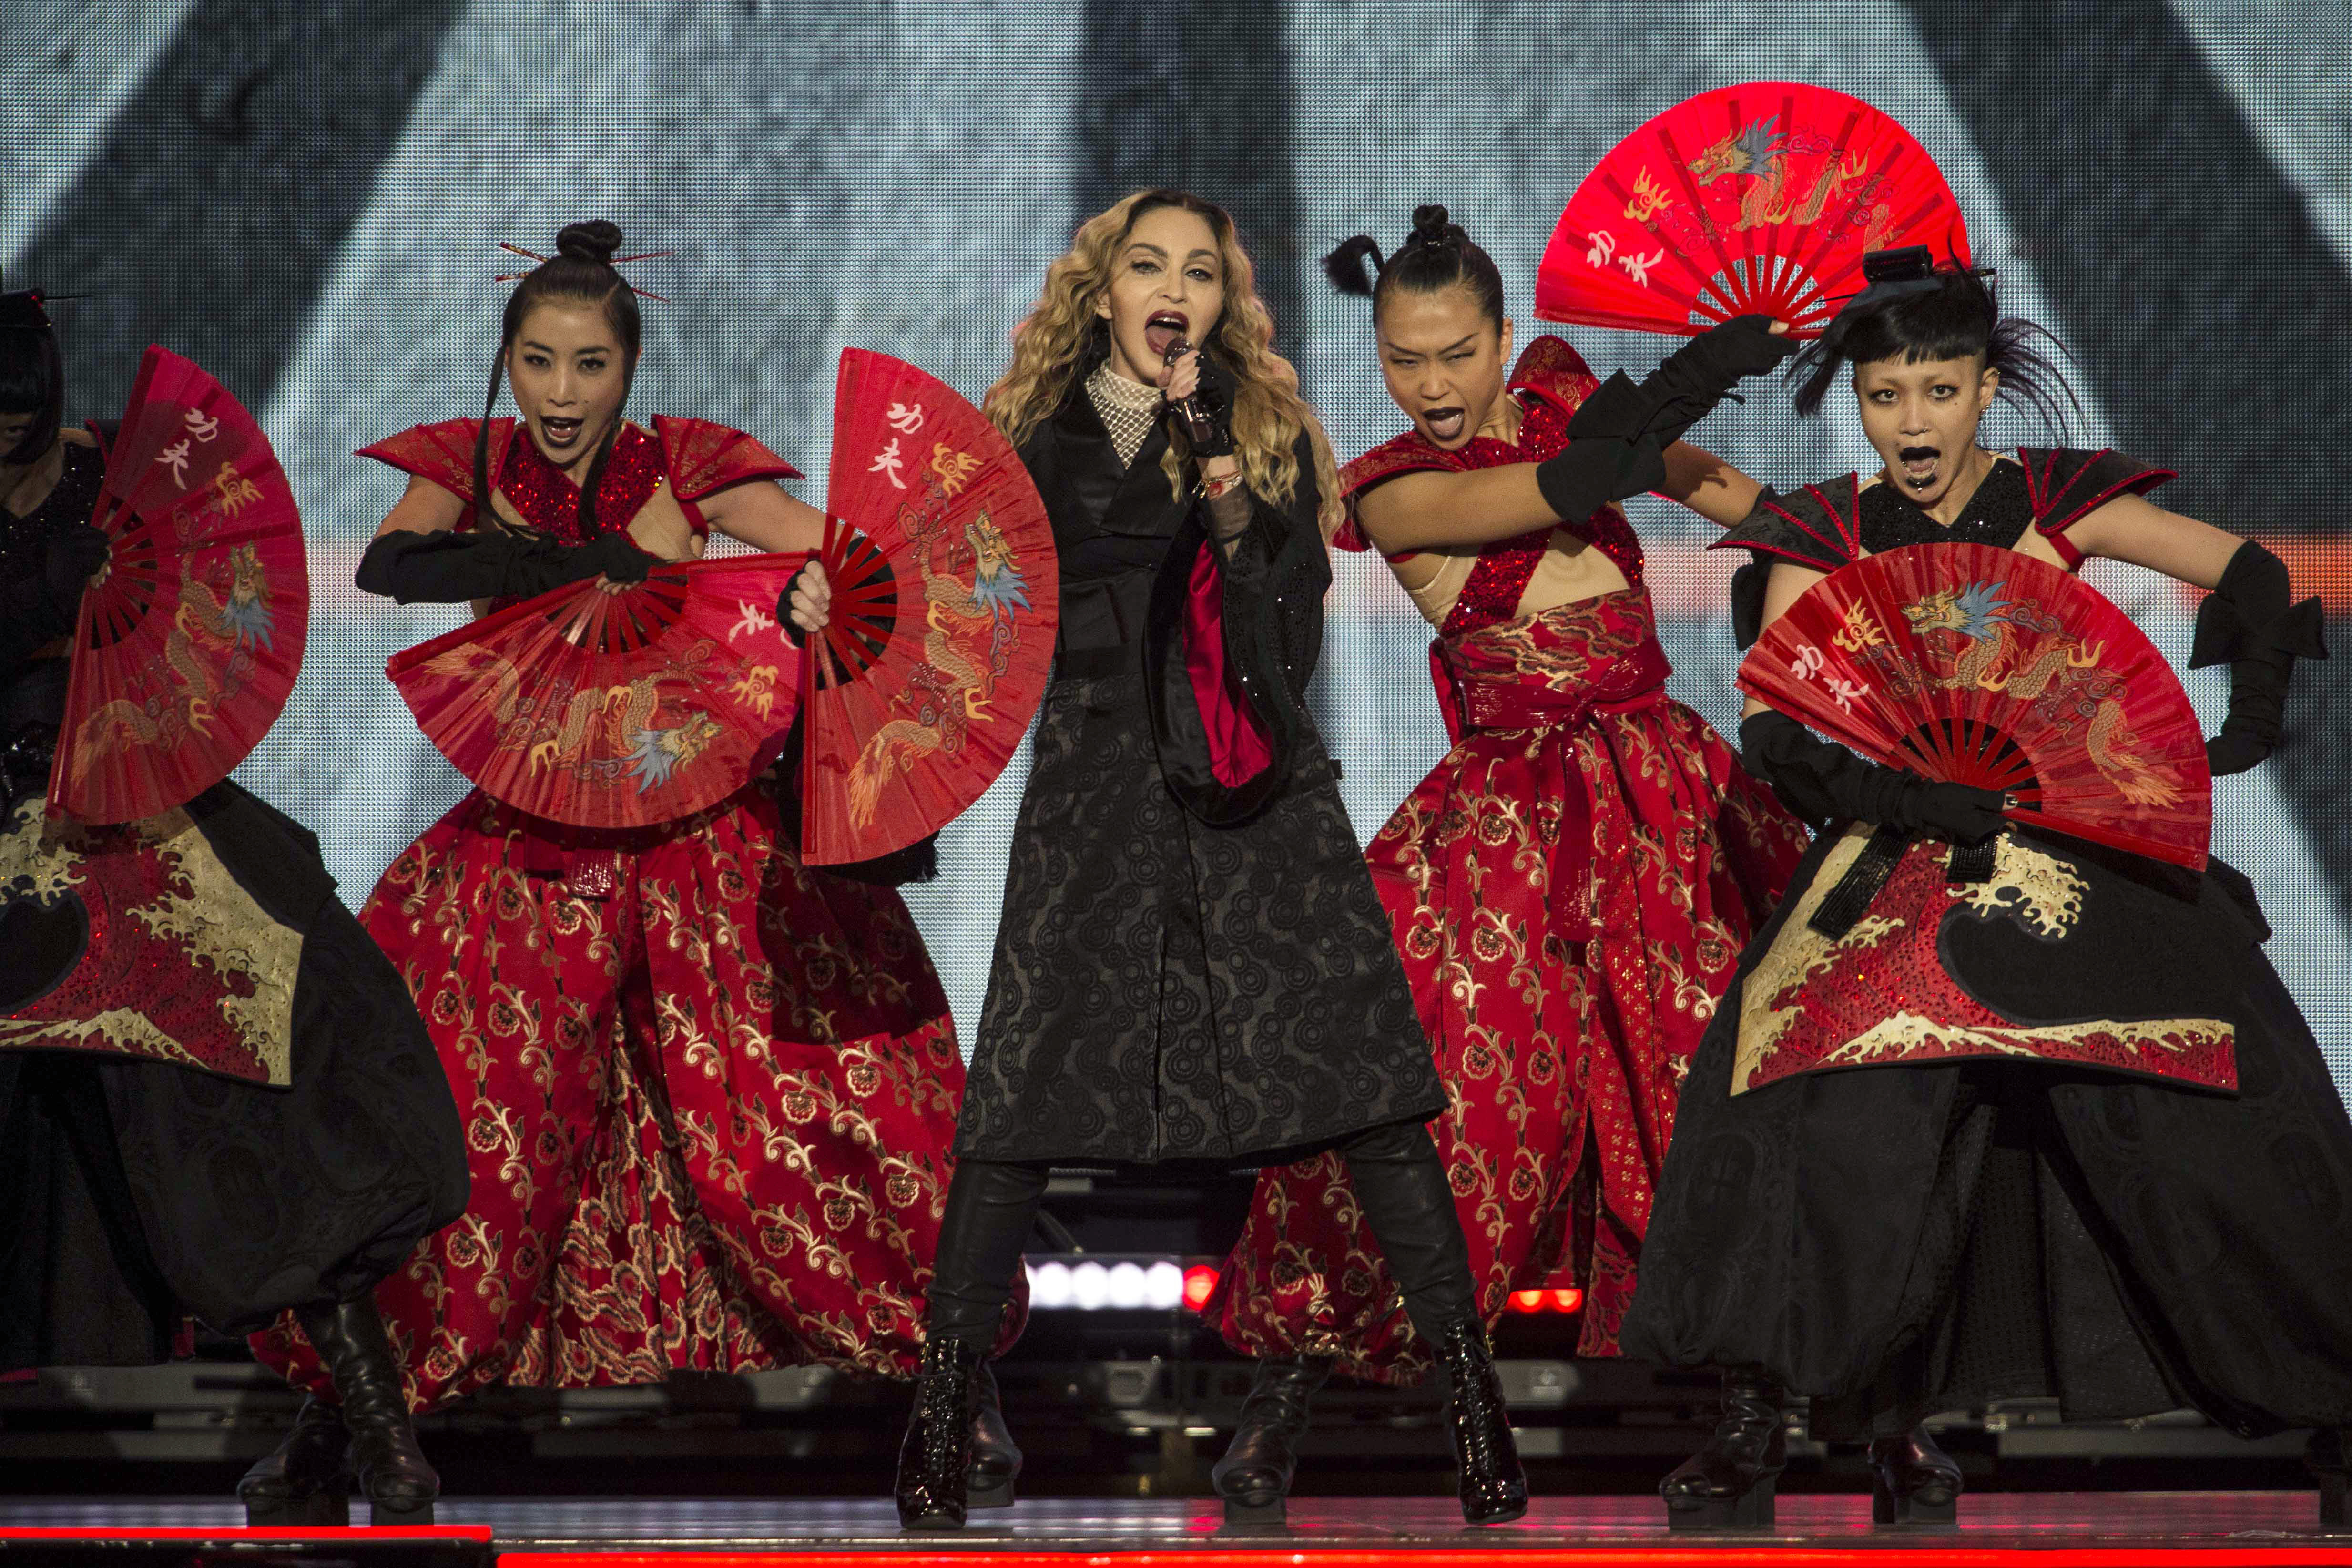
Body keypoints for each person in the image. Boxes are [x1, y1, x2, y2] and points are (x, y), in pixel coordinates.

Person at [249, 222, 1021, 1509]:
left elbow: (842, 555)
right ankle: (346, 1416)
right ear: (508, 361)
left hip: (701, 834)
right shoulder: (473, 466)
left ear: (631, 366)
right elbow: (393, 561)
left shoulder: (693, 467)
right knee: (441, 1127)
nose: (562, 394)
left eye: (591, 364)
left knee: (822, 1113)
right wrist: (574, 560)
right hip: (525, 844)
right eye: (541, 362)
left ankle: (956, 1394)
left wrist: (805, 596)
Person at [1620, 248, 2352, 1531]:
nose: (1913, 424)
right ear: (1856, 395)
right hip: (1895, 852)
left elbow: (2253, 572)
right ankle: (1774, 1425)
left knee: (2212, 1106)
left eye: (1940, 391)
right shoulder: (1826, 528)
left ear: (1983, 387)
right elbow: (1784, 736)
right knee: (1829, 1114)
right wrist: (1909, 802)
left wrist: (2242, 718)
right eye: (1887, 395)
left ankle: (2339, 1408)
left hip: (2078, 853)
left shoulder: (2057, 501)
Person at [863, 189, 1521, 1531]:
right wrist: (840, 606)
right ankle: (934, 1422)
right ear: (1102, 290)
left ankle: (1476, 1412)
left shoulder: (1264, 434)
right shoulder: (1022, 448)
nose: (1174, 290)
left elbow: (1285, 643)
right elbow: (942, 629)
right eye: (1147, 266)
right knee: (1020, 1106)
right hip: (1094, 796)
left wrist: (1220, 476)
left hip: (1251, 792)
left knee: (1374, 1102)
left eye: (1202, 273)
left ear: (1227, 304)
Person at [1208, 205, 1810, 1516]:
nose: (1431, 384)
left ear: (1497, 339)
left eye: (1456, 352)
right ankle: (1284, 1393)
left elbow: (1678, 472)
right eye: (1405, 358)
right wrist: (1702, 362)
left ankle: (1782, 1416)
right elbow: (1577, 485)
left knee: (1718, 1087)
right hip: (1505, 820)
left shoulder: (1559, 391)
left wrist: (1802, 535)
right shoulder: (1385, 488)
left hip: (1666, 793)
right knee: (1420, 1106)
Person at [0, 282, 468, 1526]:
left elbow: (206, 637)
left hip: (136, 823)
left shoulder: (117, 479)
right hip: (16, 857)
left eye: (21, 406)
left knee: (272, 1100)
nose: (7, 432)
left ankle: (383, 1443)